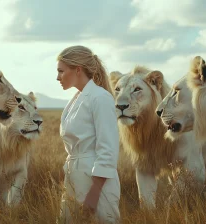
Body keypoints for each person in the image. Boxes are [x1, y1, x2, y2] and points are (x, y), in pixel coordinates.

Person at [56, 45, 120, 224]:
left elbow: (108, 150)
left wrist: (93, 196)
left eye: (61, 71)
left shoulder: (100, 98)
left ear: (78, 69)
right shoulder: (76, 99)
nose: (57, 77)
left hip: (96, 183)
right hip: (75, 178)